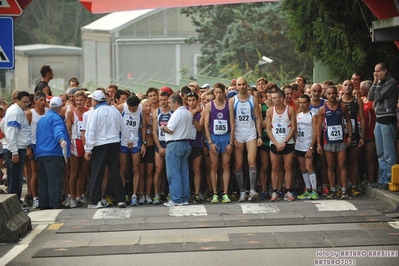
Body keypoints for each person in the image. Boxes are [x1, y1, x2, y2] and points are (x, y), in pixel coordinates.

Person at [84, 90, 133, 208]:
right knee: (115, 172)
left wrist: (88, 149)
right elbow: (123, 126)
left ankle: (96, 200)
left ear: (95, 101)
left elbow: (91, 132)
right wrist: (129, 140)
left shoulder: (94, 113)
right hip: (114, 143)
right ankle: (120, 199)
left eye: (92, 100)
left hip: (100, 145)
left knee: (97, 173)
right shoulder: (114, 110)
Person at [230, 77, 263, 202]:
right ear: (237, 86)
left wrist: (260, 135)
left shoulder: (253, 99)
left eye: (244, 84)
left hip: (251, 133)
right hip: (238, 134)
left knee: (252, 161)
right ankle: (242, 192)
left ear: (247, 85)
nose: (242, 86)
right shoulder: (232, 101)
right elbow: (231, 122)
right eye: (239, 85)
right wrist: (232, 138)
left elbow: (258, 118)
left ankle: (253, 190)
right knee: (238, 164)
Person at [317, 86, 352, 200]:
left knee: (342, 165)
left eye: (333, 93)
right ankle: (332, 189)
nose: (331, 95)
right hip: (328, 141)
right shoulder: (322, 109)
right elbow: (318, 127)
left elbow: (348, 120)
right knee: (330, 165)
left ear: (337, 94)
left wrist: (350, 136)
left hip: (341, 140)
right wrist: (318, 143)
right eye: (329, 93)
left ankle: (344, 189)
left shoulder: (342, 107)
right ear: (326, 95)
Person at [368, 62, 398, 190]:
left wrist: (378, 83)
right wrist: (374, 82)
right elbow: (370, 97)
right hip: (379, 120)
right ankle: (382, 178)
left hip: (387, 118)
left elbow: (378, 97)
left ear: (385, 71)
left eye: (378, 71)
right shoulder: (379, 82)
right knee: (380, 152)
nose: (376, 74)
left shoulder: (391, 82)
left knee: (389, 152)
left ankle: (390, 178)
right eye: (375, 71)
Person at [35, 97, 70, 209]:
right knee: (55, 179)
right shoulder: (56, 118)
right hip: (53, 152)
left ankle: (44, 203)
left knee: (44, 180)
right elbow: (58, 129)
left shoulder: (42, 118)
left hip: (42, 153)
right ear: (60, 107)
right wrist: (61, 139)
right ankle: (55, 203)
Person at [204, 82, 233, 203]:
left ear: (224, 92)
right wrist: (210, 142)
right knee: (214, 166)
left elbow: (232, 124)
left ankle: (225, 193)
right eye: (216, 92)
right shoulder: (209, 106)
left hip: (225, 137)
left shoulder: (229, 105)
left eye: (220, 92)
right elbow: (205, 125)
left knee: (226, 166)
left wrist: (231, 142)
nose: (218, 94)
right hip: (214, 137)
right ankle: (215, 193)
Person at [161, 94, 192, 207]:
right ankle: (184, 198)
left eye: (170, 103)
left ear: (176, 103)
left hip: (174, 144)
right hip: (185, 144)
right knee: (184, 172)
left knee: (174, 174)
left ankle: (176, 199)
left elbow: (170, 130)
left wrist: (162, 127)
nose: (168, 105)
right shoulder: (188, 113)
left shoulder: (177, 113)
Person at [1, 91, 32, 203]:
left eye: (28, 102)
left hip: (14, 147)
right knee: (16, 179)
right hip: (15, 149)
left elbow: (3, 125)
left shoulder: (16, 110)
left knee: (14, 178)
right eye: (24, 102)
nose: (26, 104)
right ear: (17, 100)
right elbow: (11, 133)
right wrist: (14, 151)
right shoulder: (15, 113)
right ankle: (15, 203)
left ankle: (14, 202)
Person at [266, 89, 297, 202]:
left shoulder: (290, 110)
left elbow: (293, 127)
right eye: (272, 98)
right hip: (275, 143)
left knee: (288, 167)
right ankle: (274, 192)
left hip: (287, 143)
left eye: (274, 98)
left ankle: (287, 191)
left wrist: (284, 142)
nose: (272, 100)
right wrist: (276, 143)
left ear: (281, 99)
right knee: (275, 167)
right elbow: (268, 129)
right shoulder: (270, 111)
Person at [117, 95, 147, 206]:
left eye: (133, 108)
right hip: (123, 141)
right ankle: (122, 194)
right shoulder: (121, 108)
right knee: (122, 168)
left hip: (135, 141)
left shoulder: (142, 109)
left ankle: (134, 195)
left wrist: (143, 143)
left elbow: (143, 127)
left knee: (136, 168)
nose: (131, 110)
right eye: (129, 108)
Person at [340, 80, 365, 196]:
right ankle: (343, 185)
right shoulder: (338, 101)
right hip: (340, 135)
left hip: (354, 134)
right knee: (341, 162)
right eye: (345, 85)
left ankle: (354, 185)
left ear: (353, 86)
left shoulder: (357, 101)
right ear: (342, 87)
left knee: (354, 160)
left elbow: (362, 118)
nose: (348, 87)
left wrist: (362, 137)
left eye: (350, 85)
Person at [66, 91, 90, 207]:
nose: (79, 102)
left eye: (81, 100)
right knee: (74, 172)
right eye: (77, 100)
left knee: (83, 172)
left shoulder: (89, 112)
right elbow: (69, 130)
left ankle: (80, 196)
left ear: (85, 100)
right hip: (75, 142)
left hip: (86, 143)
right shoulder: (71, 112)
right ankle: (72, 197)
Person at [26, 91, 48, 209]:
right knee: (35, 173)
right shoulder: (30, 114)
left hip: (46, 145)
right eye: (41, 100)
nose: (43, 103)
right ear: (35, 101)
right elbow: (25, 131)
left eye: (44, 100)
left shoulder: (48, 112)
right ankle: (35, 198)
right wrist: (28, 147)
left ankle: (45, 196)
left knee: (45, 172)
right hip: (34, 145)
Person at [295, 95, 319, 200]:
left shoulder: (313, 115)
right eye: (300, 102)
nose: (302, 105)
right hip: (299, 144)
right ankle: (308, 189)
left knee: (309, 167)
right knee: (302, 168)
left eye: (304, 102)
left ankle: (314, 191)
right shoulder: (298, 115)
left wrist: (311, 147)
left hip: (308, 145)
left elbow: (315, 132)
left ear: (308, 103)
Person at [152, 91, 172, 204]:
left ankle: (170, 193)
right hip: (159, 143)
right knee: (158, 170)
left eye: (165, 100)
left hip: (170, 143)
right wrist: (159, 147)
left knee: (170, 170)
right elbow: (154, 131)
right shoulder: (156, 112)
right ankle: (156, 194)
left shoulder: (173, 112)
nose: (163, 102)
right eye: (161, 100)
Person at [186, 92, 204, 203]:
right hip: (186, 144)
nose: (191, 102)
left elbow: (199, 128)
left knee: (196, 170)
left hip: (197, 144)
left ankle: (197, 193)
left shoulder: (201, 112)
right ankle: (187, 192)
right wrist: (192, 113)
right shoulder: (184, 111)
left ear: (197, 100)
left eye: (193, 100)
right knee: (186, 170)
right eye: (189, 100)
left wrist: (192, 118)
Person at [359, 80, 377, 186]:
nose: (360, 91)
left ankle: (371, 181)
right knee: (361, 159)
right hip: (361, 133)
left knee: (370, 158)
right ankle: (363, 179)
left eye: (362, 89)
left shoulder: (373, 102)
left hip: (370, 134)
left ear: (368, 90)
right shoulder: (361, 100)